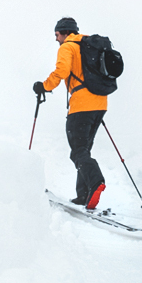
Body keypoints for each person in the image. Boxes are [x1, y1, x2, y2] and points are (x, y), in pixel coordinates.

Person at [36, 17, 108, 210]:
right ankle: (83, 195)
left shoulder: (67, 47)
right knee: (84, 149)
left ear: (65, 32)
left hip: (82, 105)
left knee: (78, 150)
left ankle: (95, 182)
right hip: (100, 103)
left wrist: (44, 86)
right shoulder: (88, 46)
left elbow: (61, 72)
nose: (56, 39)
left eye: (57, 34)